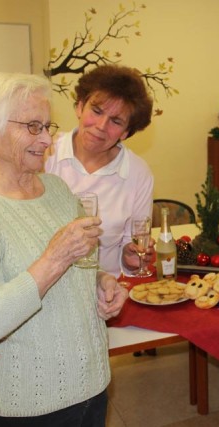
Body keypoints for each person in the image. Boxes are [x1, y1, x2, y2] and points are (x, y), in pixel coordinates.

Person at [0, 72, 127, 425]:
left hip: (90, 385)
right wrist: (54, 258)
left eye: (47, 127)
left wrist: (102, 283)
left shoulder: (56, 190)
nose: (47, 141)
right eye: (32, 127)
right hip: (24, 404)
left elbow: (80, 267)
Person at [45, 64, 155, 279]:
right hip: (47, 290)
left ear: (125, 132)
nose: (101, 126)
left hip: (104, 294)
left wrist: (130, 258)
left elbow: (130, 246)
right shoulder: (45, 154)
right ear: (79, 107)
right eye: (96, 111)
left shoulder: (137, 173)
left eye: (116, 121)